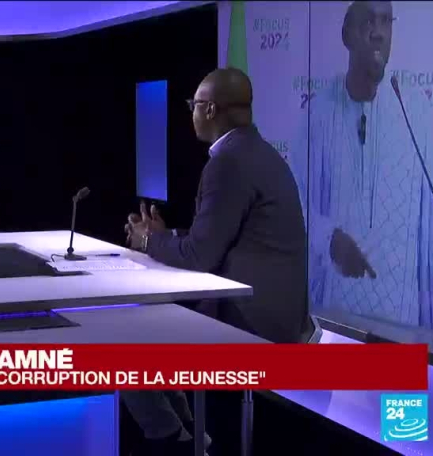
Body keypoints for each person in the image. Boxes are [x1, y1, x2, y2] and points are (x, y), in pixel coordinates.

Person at [122, 67, 309, 455]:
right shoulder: (256, 153)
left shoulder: (228, 162)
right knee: (149, 333)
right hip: (277, 315)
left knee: (123, 349)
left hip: (252, 324)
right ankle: (192, 436)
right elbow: (218, 236)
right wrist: (167, 236)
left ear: (209, 110)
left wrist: (148, 240)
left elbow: (200, 255)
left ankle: (176, 442)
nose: (190, 112)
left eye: (193, 104)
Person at [290, 1, 432, 327]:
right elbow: (296, 205)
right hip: (336, 318)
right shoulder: (319, 114)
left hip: (402, 322)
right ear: (346, 35)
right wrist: (328, 239)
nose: (378, 33)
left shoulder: (416, 112)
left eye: (386, 22)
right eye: (368, 22)